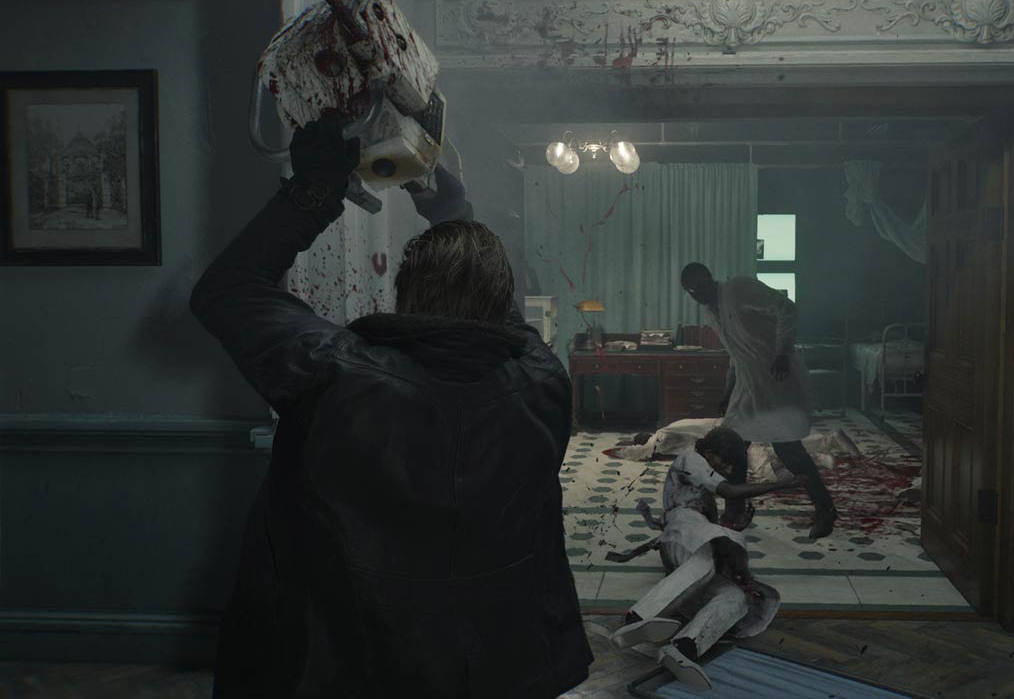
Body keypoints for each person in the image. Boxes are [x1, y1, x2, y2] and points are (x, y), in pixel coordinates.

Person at [190, 112, 592, 698]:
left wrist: (313, 192)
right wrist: (452, 213)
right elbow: (498, 321)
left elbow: (229, 288)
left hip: (343, 668)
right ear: (504, 298)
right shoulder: (543, 379)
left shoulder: (331, 372)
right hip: (501, 667)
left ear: (403, 293)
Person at [609, 427, 796, 690]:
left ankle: (683, 648)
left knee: (736, 597)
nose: (727, 468)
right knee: (705, 558)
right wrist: (781, 484)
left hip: (692, 561)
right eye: (724, 461)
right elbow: (728, 491)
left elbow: (709, 531)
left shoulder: (704, 494)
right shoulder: (690, 459)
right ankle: (636, 620)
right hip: (680, 534)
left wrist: (733, 528)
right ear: (708, 452)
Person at [680, 262, 838, 539]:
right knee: (733, 448)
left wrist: (783, 352)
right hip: (748, 386)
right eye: (691, 291)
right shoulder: (711, 311)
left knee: (788, 450)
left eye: (700, 286)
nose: (697, 294)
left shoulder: (737, 288)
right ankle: (735, 512)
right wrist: (728, 389)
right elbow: (736, 352)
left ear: (710, 278)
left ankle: (825, 509)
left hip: (777, 379)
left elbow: (787, 308)